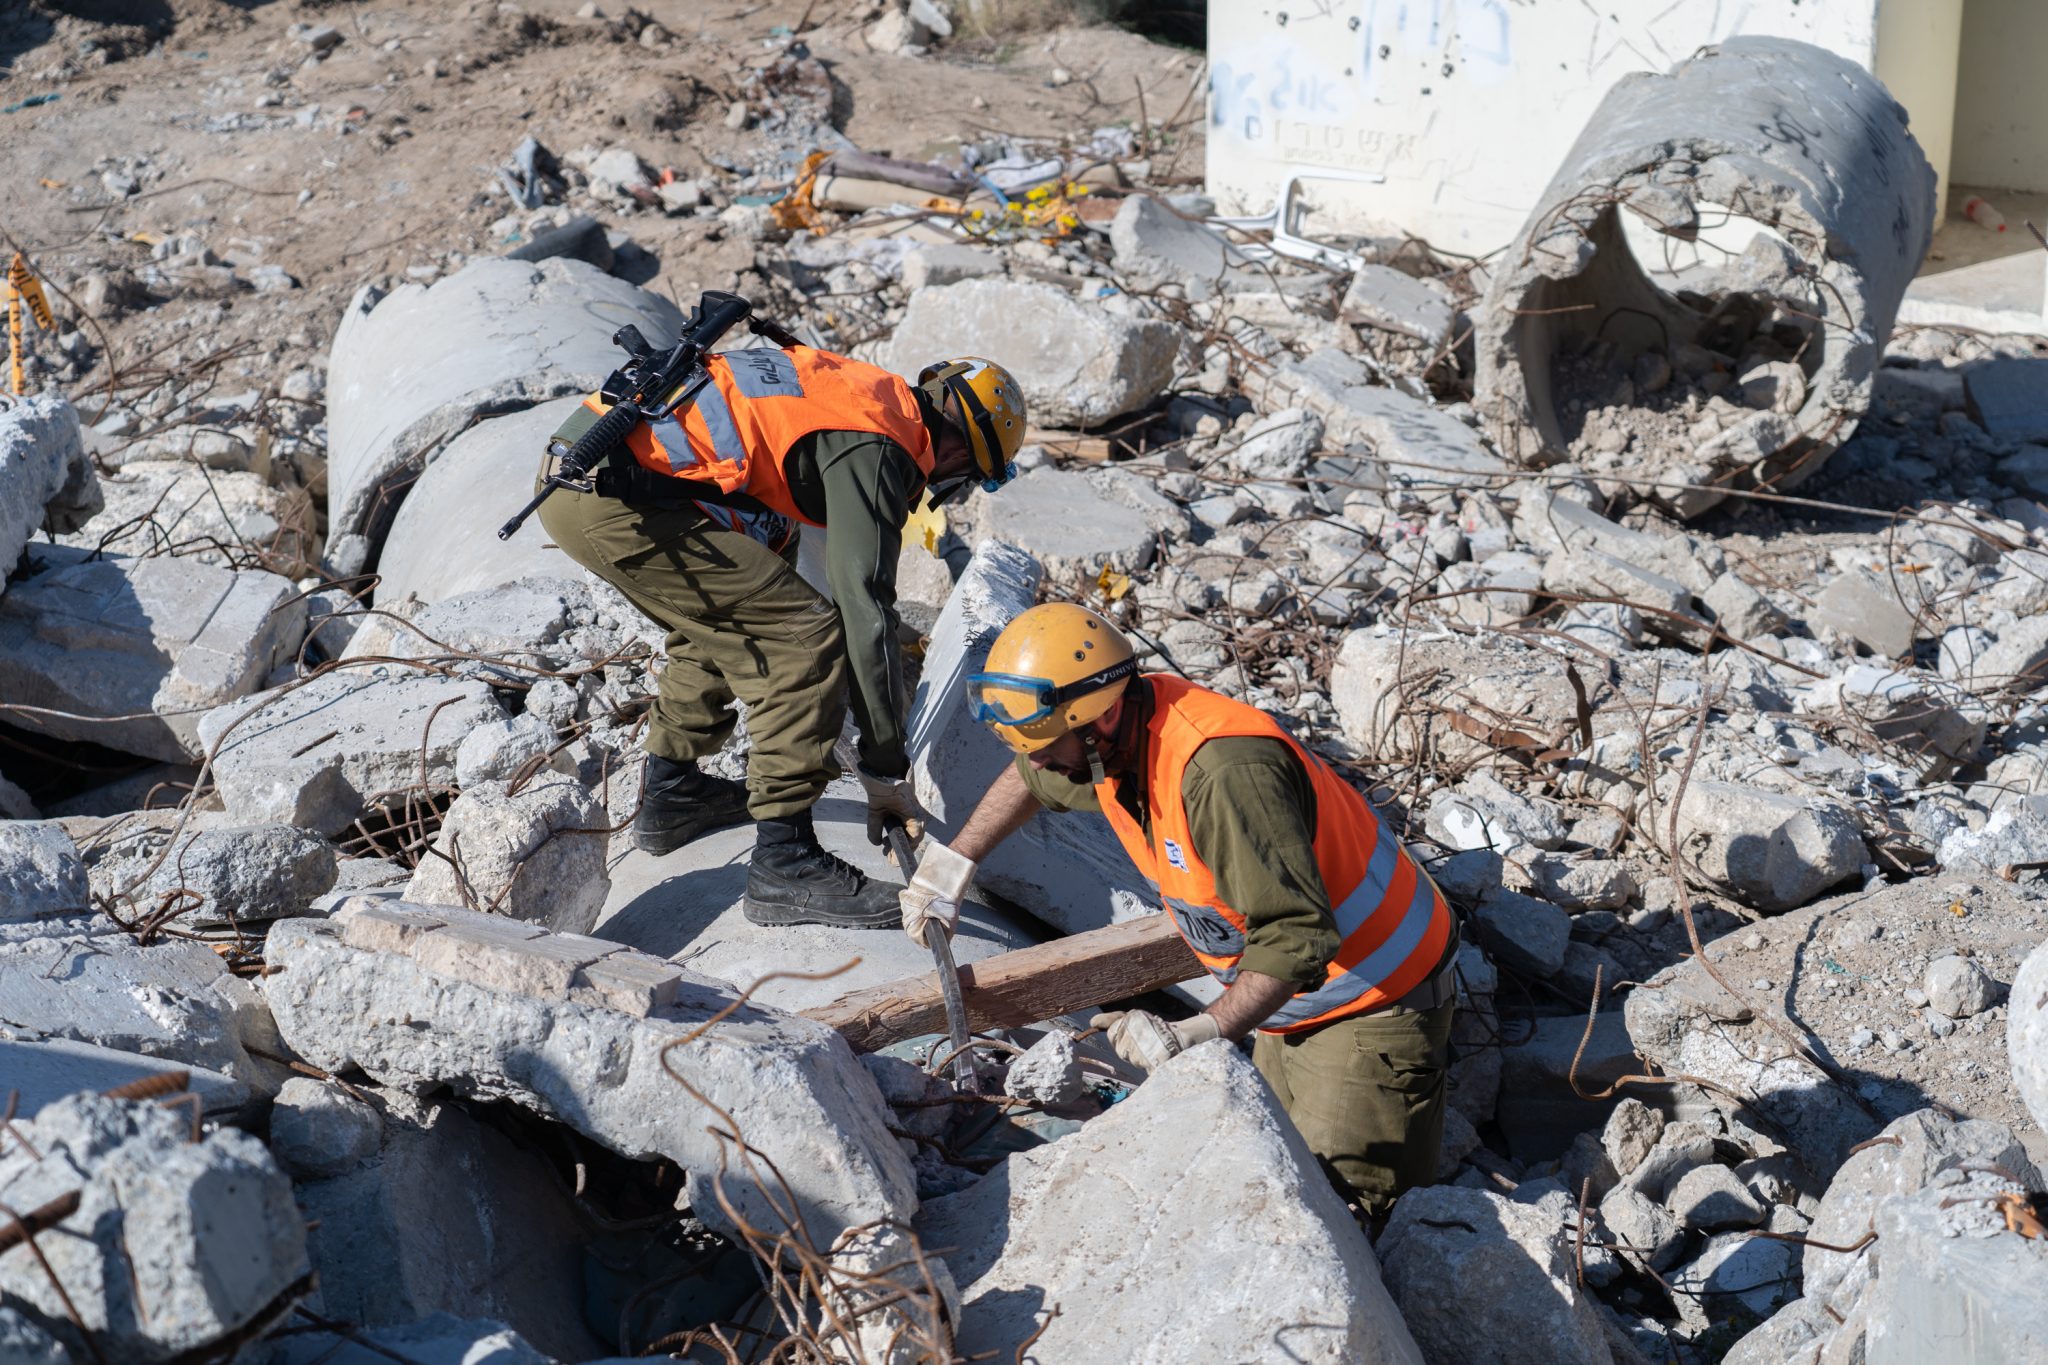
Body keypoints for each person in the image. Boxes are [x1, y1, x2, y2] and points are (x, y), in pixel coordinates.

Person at [899, 603, 1459, 1215]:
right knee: (1275, 1169)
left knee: (1340, 1206)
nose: (1036, 759)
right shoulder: (1108, 744)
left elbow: (1298, 937)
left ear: (1103, 716)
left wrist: (1198, 1030)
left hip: (1371, 1000)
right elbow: (1031, 779)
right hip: (1287, 1000)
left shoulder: (1222, 774)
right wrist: (955, 861)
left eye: (1045, 743)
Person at [539, 345, 1026, 929]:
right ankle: (784, 862)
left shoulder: (871, 395)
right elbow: (864, 612)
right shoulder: (880, 447)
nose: (949, 488)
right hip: (612, 493)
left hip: (588, 466)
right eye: (965, 477)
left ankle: (672, 796)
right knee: (805, 636)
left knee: (752, 591)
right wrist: (883, 768)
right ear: (958, 445)